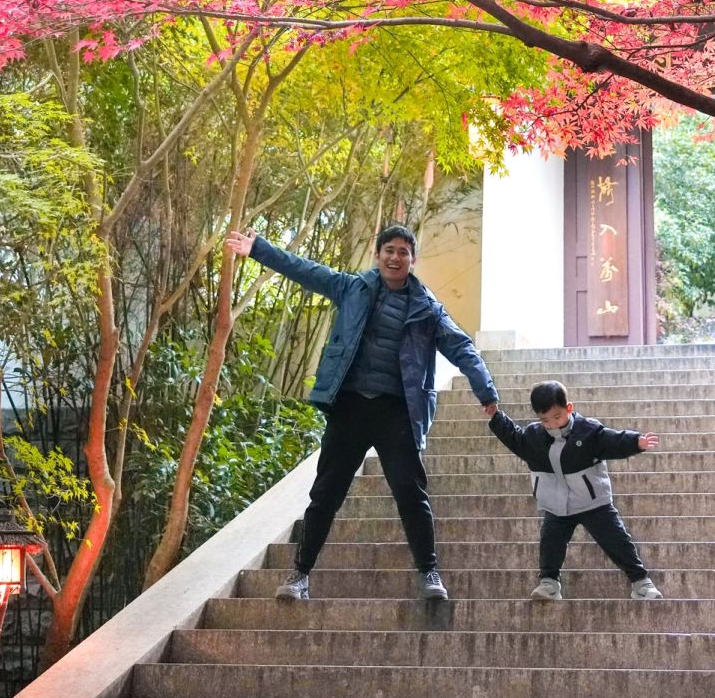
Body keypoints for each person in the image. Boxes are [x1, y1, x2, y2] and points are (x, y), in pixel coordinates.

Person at [225, 222, 498, 602]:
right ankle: (299, 575)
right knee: (325, 493)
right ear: (378, 254)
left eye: (403, 252)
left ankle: (429, 574)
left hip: (396, 412)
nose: (395, 257)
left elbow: (462, 347)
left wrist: (484, 388)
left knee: (410, 492)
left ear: (413, 259)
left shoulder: (428, 309)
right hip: (351, 406)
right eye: (389, 250)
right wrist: (259, 250)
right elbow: (304, 270)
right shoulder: (352, 288)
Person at [488, 379, 662, 601]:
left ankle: (641, 583)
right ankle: (549, 583)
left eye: (557, 417)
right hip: (557, 505)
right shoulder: (534, 437)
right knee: (550, 543)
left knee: (616, 540)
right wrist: (497, 417)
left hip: (593, 503)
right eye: (545, 420)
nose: (552, 424)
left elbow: (611, 441)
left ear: (568, 408)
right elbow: (514, 437)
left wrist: (636, 442)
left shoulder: (588, 431)